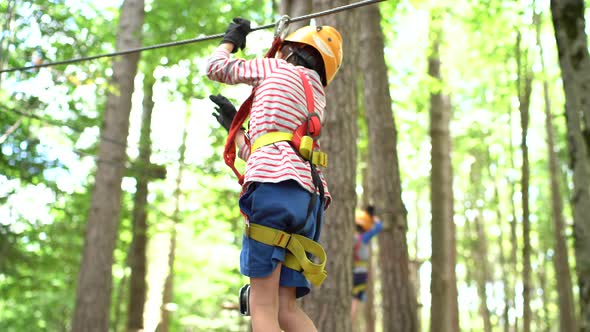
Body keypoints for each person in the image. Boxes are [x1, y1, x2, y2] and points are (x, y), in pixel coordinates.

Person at [206, 17, 343, 332]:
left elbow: (216, 67)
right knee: (286, 309)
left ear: (290, 49)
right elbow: (278, 147)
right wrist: (238, 133)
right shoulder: (316, 92)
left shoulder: (275, 69)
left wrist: (231, 39)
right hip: (309, 200)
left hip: (274, 191)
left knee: (262, 306)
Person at [351, 205, 383, 326]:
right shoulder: (364, 238)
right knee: (356, 300)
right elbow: (379, 227)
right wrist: (375, 218)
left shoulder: (352, 238)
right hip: (361, 273)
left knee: (351, 299)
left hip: (352, 272)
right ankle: (349, 324)